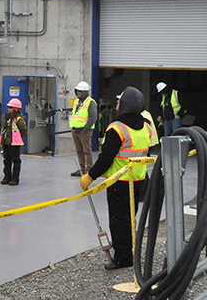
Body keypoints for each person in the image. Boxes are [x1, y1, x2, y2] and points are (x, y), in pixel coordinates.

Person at [80, 86, 154, 270]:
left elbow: (106, 158)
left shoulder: (117, 128)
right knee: (129, 218)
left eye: (120, 101)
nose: (117, 104)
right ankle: (128, 250)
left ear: (125, 105)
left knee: (118, 220)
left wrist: (90, 176)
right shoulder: (146, 126)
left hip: (119, 183)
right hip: (138, 180)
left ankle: (123, 258)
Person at [69, 81, 98, 177]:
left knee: (86, 150)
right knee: (79, 150)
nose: (78, 94)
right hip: (75, 130)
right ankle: (82, 169)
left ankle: (89, 169)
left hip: (84, 131)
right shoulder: (77, 102)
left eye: (80, 92)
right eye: (77, 91)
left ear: (85, 92)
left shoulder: (91, 102)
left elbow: (93, 118)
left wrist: (85, 129)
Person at [0, 98, 27, 186]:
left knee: (16, 160)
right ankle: (7, 177)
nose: (8, 109)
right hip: (6, 143)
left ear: (15, 109)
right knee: (7, 160)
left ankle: (15, 178)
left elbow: (24, 130)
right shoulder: (7, 119)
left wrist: (17, 137)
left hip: (14, 143)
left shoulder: (19, 120)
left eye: (10, 107)